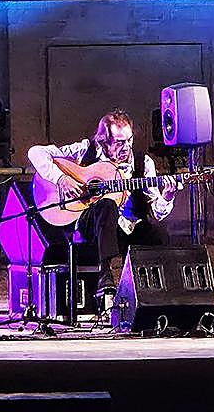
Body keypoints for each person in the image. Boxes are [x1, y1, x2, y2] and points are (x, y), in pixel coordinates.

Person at [27, 109, 179, 308]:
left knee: (158, 234)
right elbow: (35, 152)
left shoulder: (143, 163)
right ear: (104, 141)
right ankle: (104, 275)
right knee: (107, 205)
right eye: (119, 142)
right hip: (92, 226)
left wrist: (167, 196)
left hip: (126, 228)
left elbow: (156, 213)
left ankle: (156, 297)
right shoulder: (85, 150)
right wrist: (61, 178)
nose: (127, 147)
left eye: (129, 140)